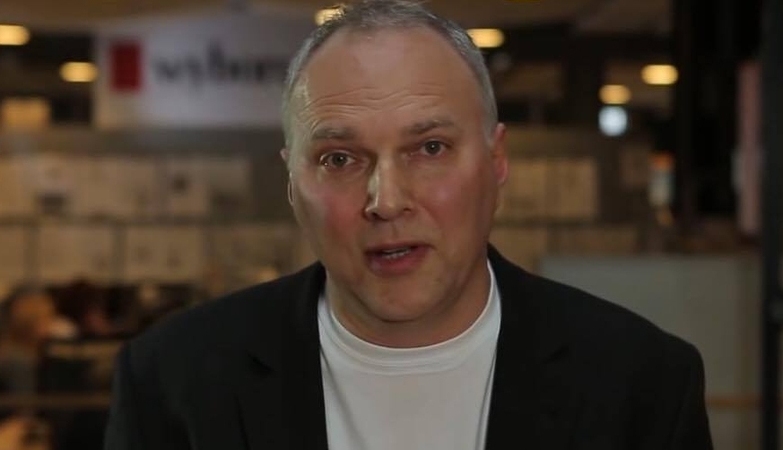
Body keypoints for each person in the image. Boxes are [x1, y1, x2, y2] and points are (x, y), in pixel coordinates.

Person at [104, 1, 713, 449]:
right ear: (291, 181)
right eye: (339, 159)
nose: (386, 201)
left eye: (430, 149)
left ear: (497, 161)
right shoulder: (174, 381)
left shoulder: (640, 382)